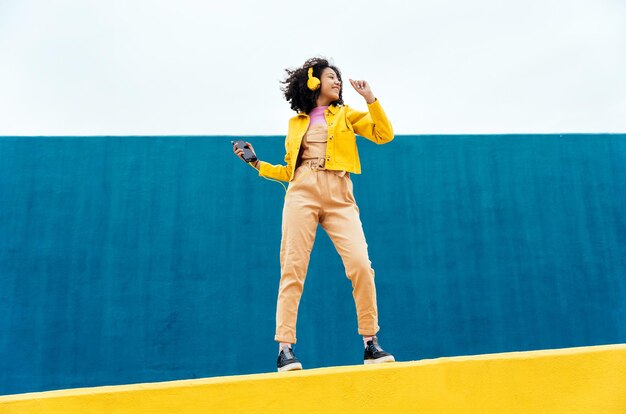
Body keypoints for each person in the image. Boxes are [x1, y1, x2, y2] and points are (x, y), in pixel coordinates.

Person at [233, 57, 395, 372]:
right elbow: (290, 170)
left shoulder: (347, 115)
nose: (337, 81)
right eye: (331, 76)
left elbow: (383, 134)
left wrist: (370, 99)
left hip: (340, 196)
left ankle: (370, 343)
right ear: (313, 82)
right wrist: (256, 164)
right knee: (293, 268)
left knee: (361, 265)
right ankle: (285, 349)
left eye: (338, 77)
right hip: (302, 193)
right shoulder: (296, 124)